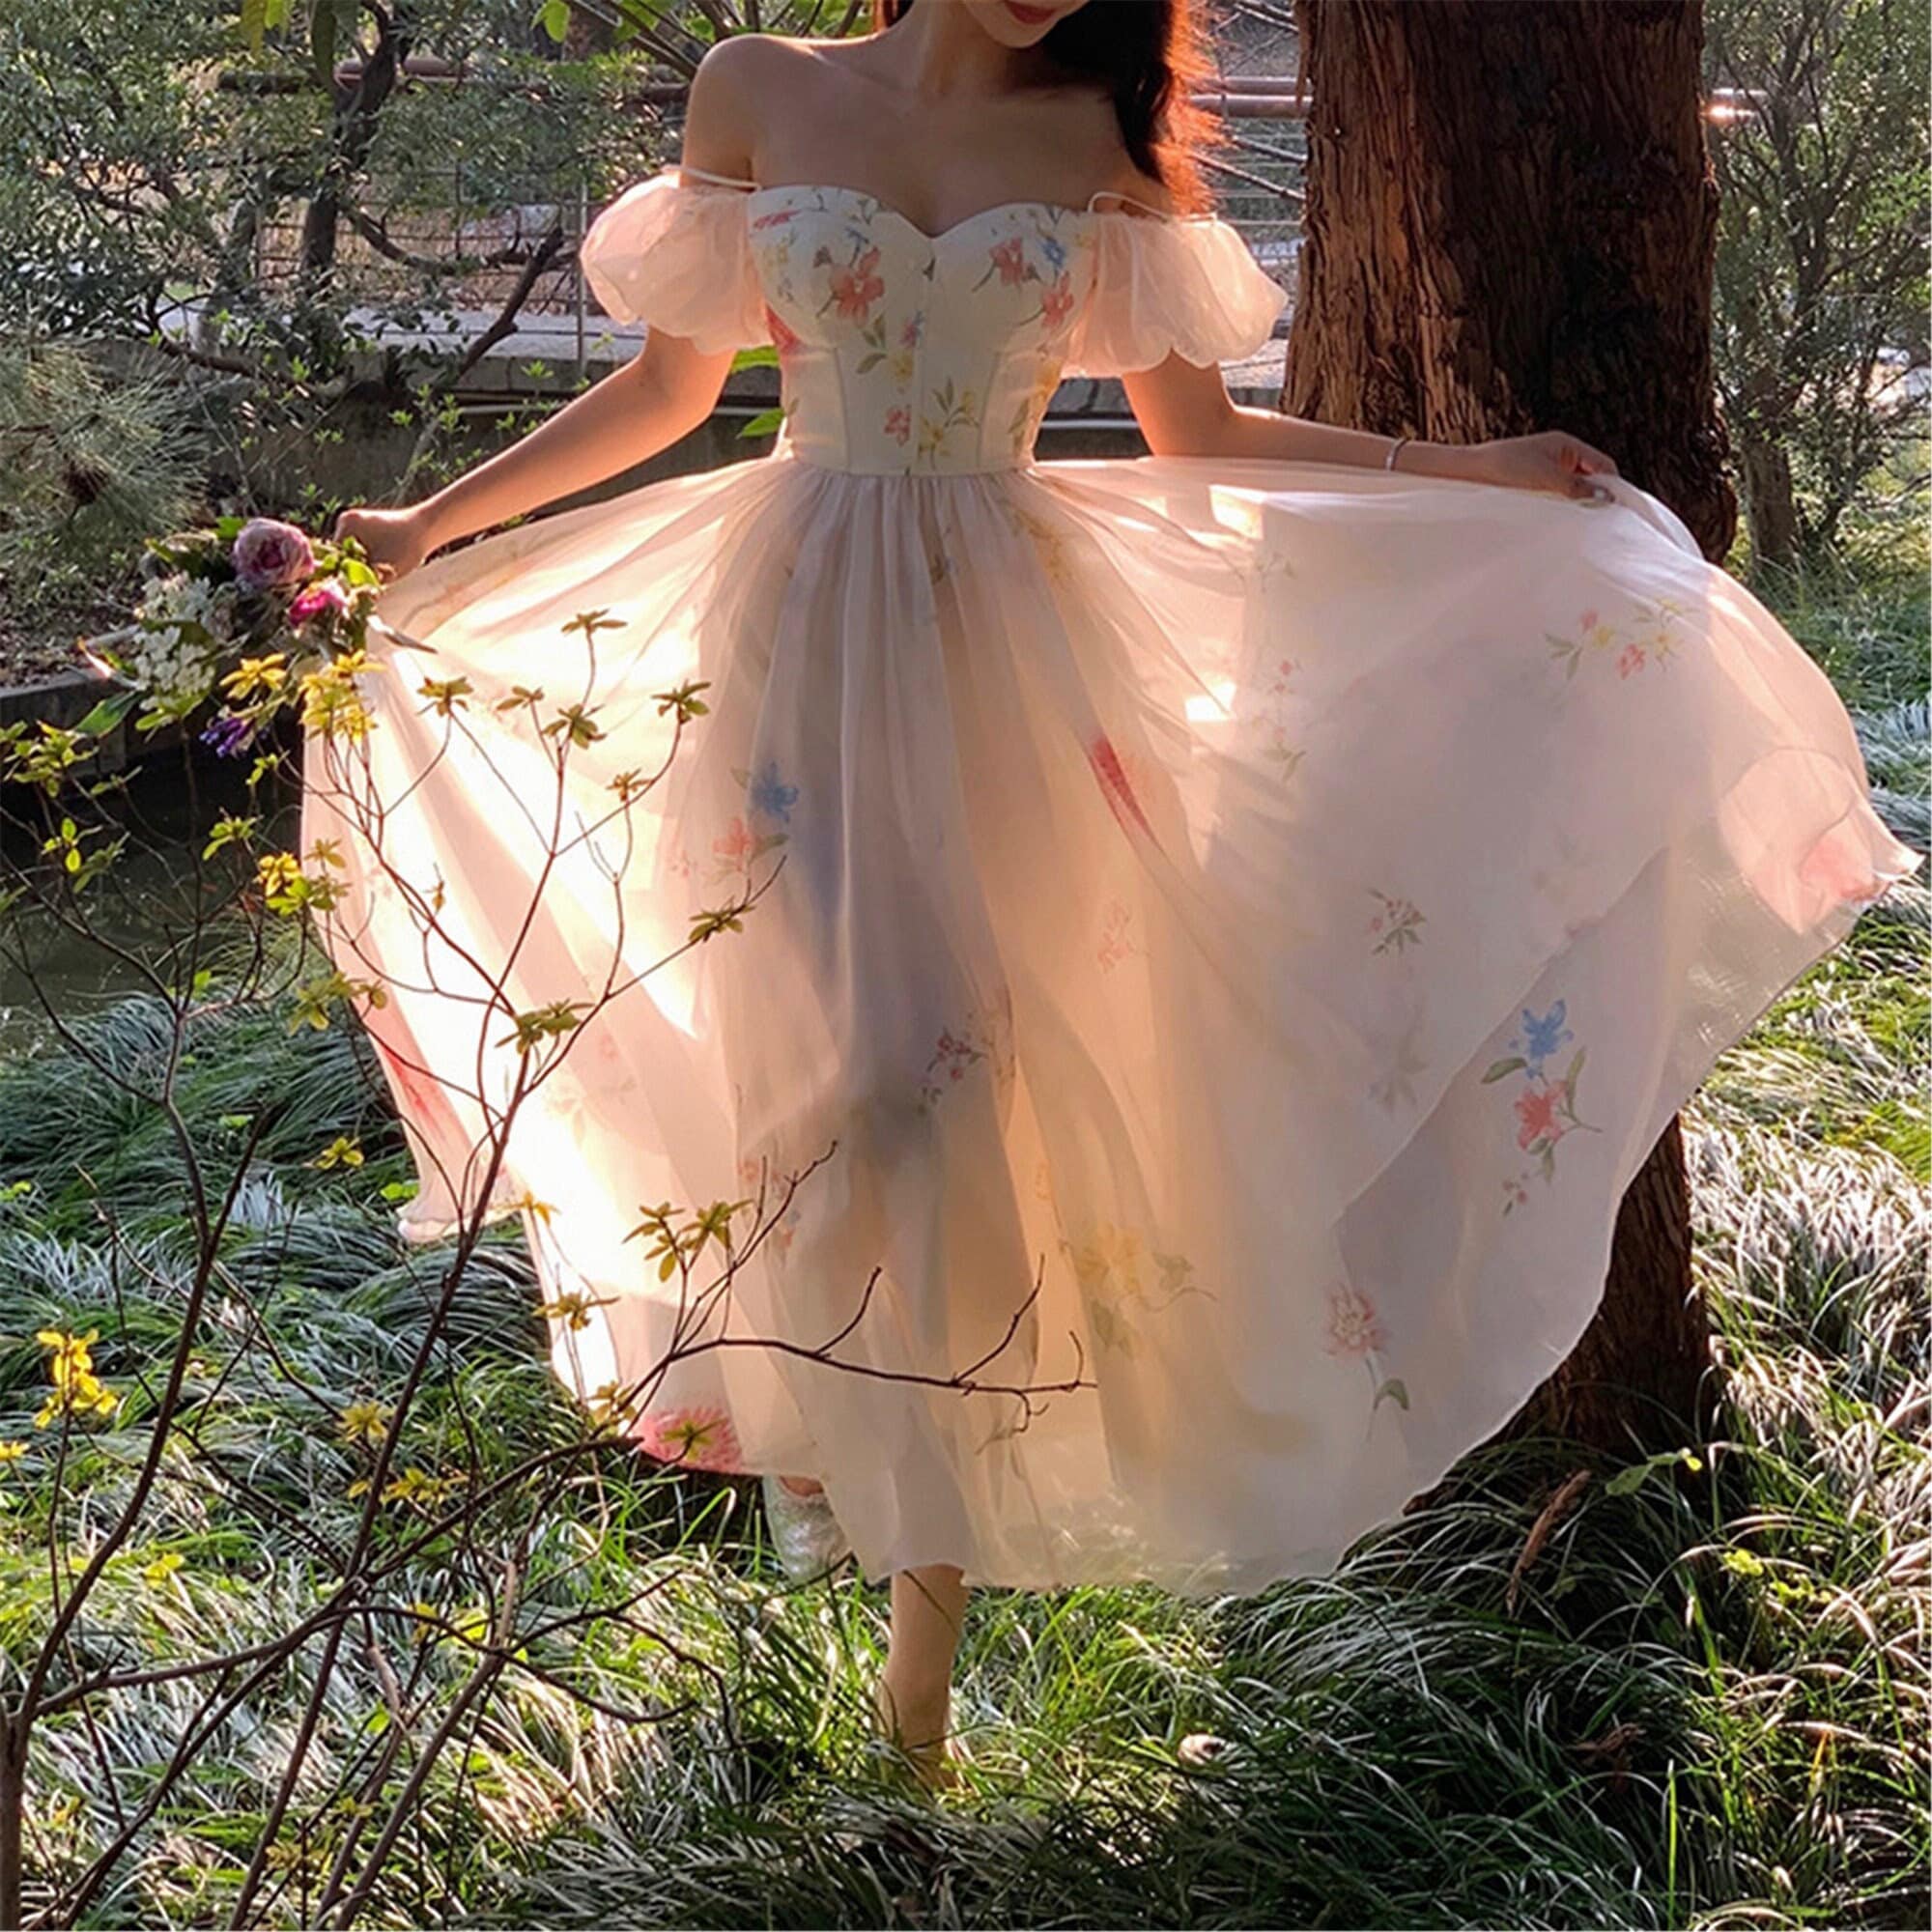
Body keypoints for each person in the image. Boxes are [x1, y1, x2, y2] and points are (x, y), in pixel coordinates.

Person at [326, 0, 1918, 1788]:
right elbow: (670, 391)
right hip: (789, 644)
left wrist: (1469, 474)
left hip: (1006, 655)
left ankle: (911, 1700)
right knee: (827, 1085)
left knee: (948, 1103)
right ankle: (817, 1441)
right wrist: (421, 531)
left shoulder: (1093, 145)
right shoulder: (759, 89)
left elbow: (1202, 436)